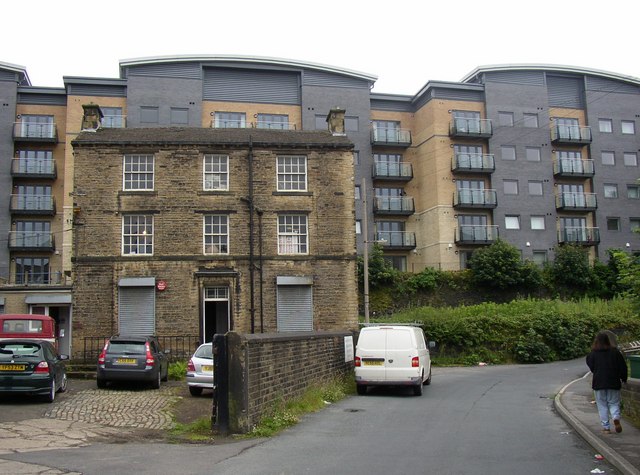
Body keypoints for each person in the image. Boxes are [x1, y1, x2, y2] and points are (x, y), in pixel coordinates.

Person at [586, 332, 628, 434]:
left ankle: (606, 428)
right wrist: (624, 378)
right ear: (608, 340)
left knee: (602, 405)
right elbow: (623, 367)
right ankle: (615, 417)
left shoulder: (593, 353)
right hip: (613, 382)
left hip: (599, 382)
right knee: (614, 403)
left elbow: (590, 365)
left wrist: (595, 371)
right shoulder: (615, 352)